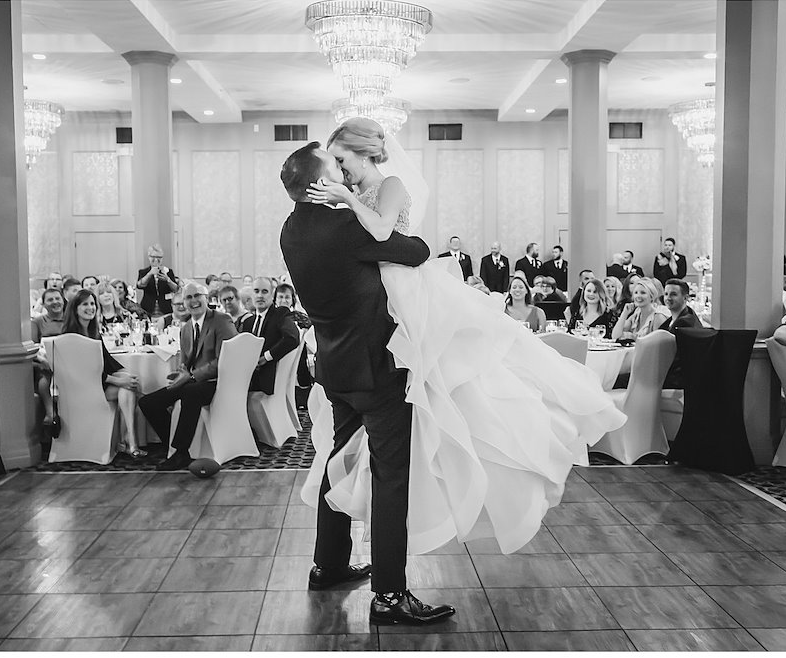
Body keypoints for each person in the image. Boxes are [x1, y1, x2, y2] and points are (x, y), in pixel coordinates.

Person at [301, 120, 624, 571]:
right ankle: (365, 569)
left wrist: (349, 200)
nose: (338, 171)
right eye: (333, 162)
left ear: (366, 153)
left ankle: (344, 561)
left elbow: (380, 235)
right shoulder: (343, 212)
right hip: (380, 312)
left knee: (457, 390)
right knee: (378, 442)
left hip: (405, 299)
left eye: (341, 160)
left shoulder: (388, 185)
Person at [282, 139, 454, 625]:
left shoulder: (290, 229)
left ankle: (328, 566)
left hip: (335, 369)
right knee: (389, 476)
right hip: (377, 370)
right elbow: (417, 251)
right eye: (333, 167)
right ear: (320, 184)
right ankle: (390, 596)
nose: (342, 170)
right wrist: (355, 205)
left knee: (337, 459)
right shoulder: (348, 228)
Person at [138, 282, 237, 470]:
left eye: (197, 295)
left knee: (190, 391)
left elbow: (225, 359)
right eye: (188, 297)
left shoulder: (221, 320)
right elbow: (185, 363)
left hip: (219, 382)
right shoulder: (186, 328)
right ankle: (175, 444)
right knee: (148, 402)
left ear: (206, 298)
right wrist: (182, 374)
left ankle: (181, 453)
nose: (193, 301)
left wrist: (191, 377)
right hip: (194, 382)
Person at [60, 289, 143, 457]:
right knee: (126, 388)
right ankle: (129, 442)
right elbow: (82, 371)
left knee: (130, 384)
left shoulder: (93, 333)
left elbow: (108, 362)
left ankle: (126, 442)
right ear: (75, 309)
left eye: (92, 304)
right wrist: (118, 381)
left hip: (98, 383)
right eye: (85, 304)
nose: (90, 307)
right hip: (83, 389)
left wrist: (126, 375)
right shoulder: (70, 336)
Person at [238, 277, 301, 395]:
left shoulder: (280, 314)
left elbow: (292, 338)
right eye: (256, 291)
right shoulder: (248, 322)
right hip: (247, 377)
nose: (260, 295)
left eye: (264, 291)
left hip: (267, 380)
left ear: (272, 295)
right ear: (251, 295)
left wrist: (266, 358)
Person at [31, 287, 66, 438]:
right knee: (44, 371)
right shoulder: (38, 322)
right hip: (44, 360)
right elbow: (32, 346)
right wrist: (42, 359)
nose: (55, 302)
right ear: (44, 304)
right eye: (50, 300)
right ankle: (50, 411)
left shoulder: (71, 319)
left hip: (68, 360)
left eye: (57, 298)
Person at [658, 279, 704, 388]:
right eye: (666, 294)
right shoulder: (672, 319)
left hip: (677, 378)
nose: (668, 298)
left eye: (673, 294)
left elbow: (670, 355)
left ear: (686, 298)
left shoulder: (685, 322)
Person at [136, 244, 179, 316]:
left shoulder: (168, 271)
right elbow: (139, 285)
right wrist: (150, 274)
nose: (156, 260)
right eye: (153, 257)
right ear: (149, 257)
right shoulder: (143, 272)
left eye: (159, 257)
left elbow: (176, 289)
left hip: (165, 307)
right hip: (148, 307)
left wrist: (168, 280)